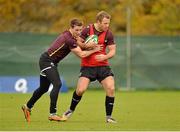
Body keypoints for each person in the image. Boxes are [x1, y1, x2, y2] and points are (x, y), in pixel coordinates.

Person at [21, 18, 101, 122]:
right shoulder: (69, 39)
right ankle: (52, 114)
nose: (79, 32)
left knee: (44, 88)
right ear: (71, 28)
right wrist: (94, 49)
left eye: (80, 30)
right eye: (77, 30)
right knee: (57, 84)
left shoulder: (70, 35)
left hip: (48, 61)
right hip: (47, 61)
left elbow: (81, 45)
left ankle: (27, 106)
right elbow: (81, 54)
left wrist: (87, 45)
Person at [62, 11, 117, 123]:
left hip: (103, 66)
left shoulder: (109, 34)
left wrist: (105, 56)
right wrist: (88, 46)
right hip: (87, 66)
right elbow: (78, 43)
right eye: (105, 23)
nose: (107, 26)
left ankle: (109, 117)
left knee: (111, 88)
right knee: (80, 90)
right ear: (98, 22)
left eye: (108, 23)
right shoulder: (87, 30)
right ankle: (70, 110)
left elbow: (113, 51)